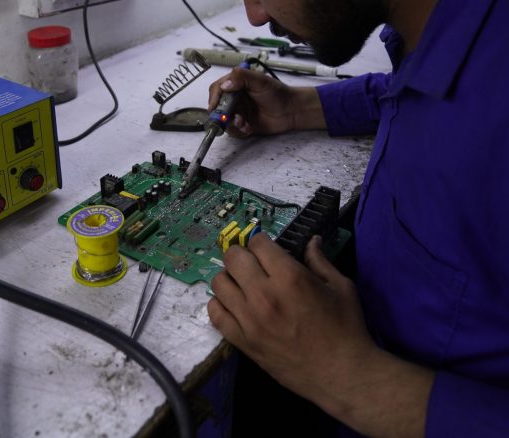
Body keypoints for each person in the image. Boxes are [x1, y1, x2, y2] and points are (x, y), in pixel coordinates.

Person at [206, 0, 509, 436]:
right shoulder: (432, 32)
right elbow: (412, 92)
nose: (255, 16)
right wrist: (298, 107)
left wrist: (348, 376)